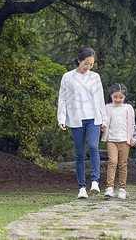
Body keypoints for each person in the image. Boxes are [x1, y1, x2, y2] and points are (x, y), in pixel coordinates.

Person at [57, 47, 108, 199]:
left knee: (93, 147)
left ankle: (94, 182)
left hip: (94, 118)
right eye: (86, 63)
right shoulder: (67, 77)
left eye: (91, 64)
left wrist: (104, 119)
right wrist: (61, 118)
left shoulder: (95, 77)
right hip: (76, 118)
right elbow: (63, 99)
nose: (88, 67)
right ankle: (81, 188)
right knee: (79, 154)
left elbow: (100, 99)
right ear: (79, 60)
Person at [100, 83, 135, 200]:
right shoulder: (108, 107)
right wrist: (103, 127)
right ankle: (109, 187)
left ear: (125, 97)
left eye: (121, 97)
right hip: (111, 139)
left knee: (123, 164)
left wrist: (132, 138)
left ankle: (122, 188)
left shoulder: (128, 108)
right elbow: (104, 121)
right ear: (111, 96)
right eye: (115, 97)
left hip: (125, 140)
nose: (118, 100)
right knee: (112, 162)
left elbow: (132, 124)